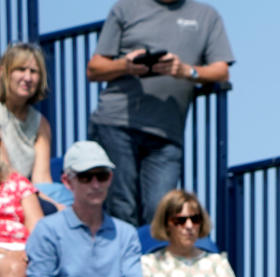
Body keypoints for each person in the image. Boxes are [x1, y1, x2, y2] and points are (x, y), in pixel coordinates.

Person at [24, 140, 175, 277]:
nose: (95, 184)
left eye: (102, 175)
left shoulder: (125, 233)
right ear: (67, 182)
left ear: (110, 178)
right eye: (86, 177)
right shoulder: (48, 229)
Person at [86, 0, 234, 226]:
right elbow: (94, 68)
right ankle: (124, 261)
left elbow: (221, 71)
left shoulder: (207, 16)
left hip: (167, 133)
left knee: (160, 214)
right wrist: (126, 66)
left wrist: (186, 71)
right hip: (116, 124)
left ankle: (149, 261)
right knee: (121, 209)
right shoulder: (126, 8)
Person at [0, 41, 68, 212]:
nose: (28, 77)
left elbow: (42, 179)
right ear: (3, 72)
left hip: (26, 194)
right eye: (21, 69)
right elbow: (6, 173)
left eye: (33, 71)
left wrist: (60, 210)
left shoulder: (40, 123)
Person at [0, 151, 41, 277]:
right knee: (13, 269)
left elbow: (38, 230)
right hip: (5, 253)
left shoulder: (18, 182)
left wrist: (26, 252)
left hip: (23, 251)